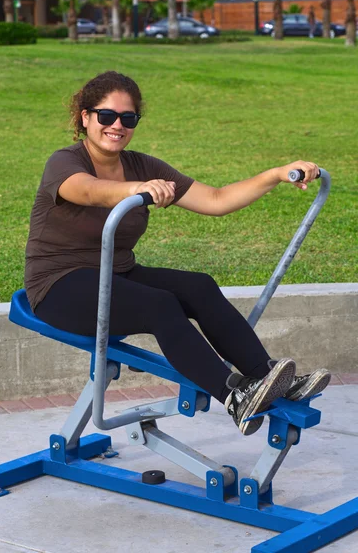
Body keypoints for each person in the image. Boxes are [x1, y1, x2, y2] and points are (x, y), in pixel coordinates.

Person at [25, 71, 331, 436]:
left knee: (199, 286)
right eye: (106, 116)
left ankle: (268, 378)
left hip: (115, 273)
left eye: (128, 118)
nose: (117, 125)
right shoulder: (65, 162)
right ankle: (234, 396)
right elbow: (90, 191)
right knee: (159, 305)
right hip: (58, 285)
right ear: (85, 118)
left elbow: (216, 200)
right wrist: (137, 190)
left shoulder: (143, 165)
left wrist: (276, 174)